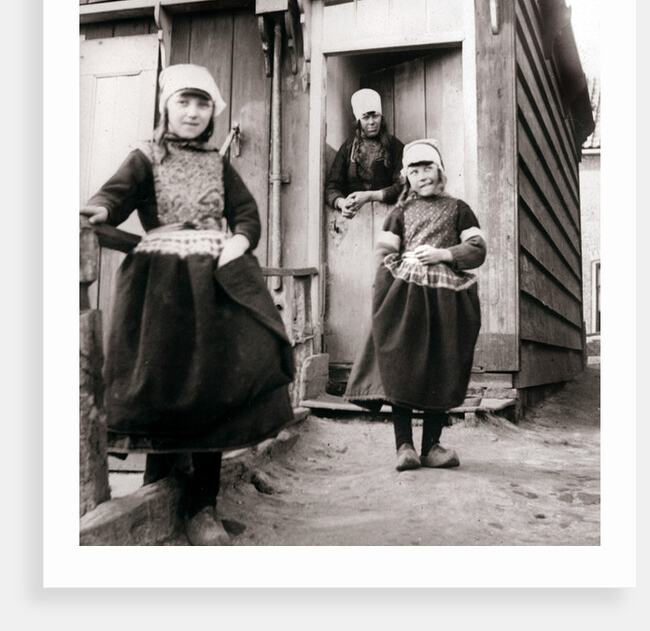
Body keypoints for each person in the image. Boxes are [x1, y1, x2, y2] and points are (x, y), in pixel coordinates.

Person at [80, 64, 294, 545]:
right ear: (166, 108)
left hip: (212, 285)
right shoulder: (145, 157)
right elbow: (112, 199)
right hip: (161, 288)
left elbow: (246, 214)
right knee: (166, 379)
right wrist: (100, 210)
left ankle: (204, 506)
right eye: (184, 102)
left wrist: (240, 241)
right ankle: (157, 493)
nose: (193, 113)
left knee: (211, 383)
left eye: (202, 104)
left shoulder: (218, 164)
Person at [344, 139, 486, 472]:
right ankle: (404, 446)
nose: (422, 175)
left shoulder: (458, 209)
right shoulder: (400, 213)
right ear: (405, 175)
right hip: (404, 298)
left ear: (441, 171)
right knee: (402, 363)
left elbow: (477, 248)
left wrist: (445, 254)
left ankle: (432, 446)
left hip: (445, 300)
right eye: (414, 169)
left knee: (441, 362)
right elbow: (382, 256)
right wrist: (382, 295)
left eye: (428, 167)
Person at [325, 88, 404, 218]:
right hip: (356, 221)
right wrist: (341, 203)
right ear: (358, 121)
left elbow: (403, 186)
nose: (371, 122)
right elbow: (331, 187)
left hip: (388, 217)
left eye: (375, 116)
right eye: (366, 117)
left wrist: (371, 196)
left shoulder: (395, 146)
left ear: (381, 118)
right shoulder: (348, 148)